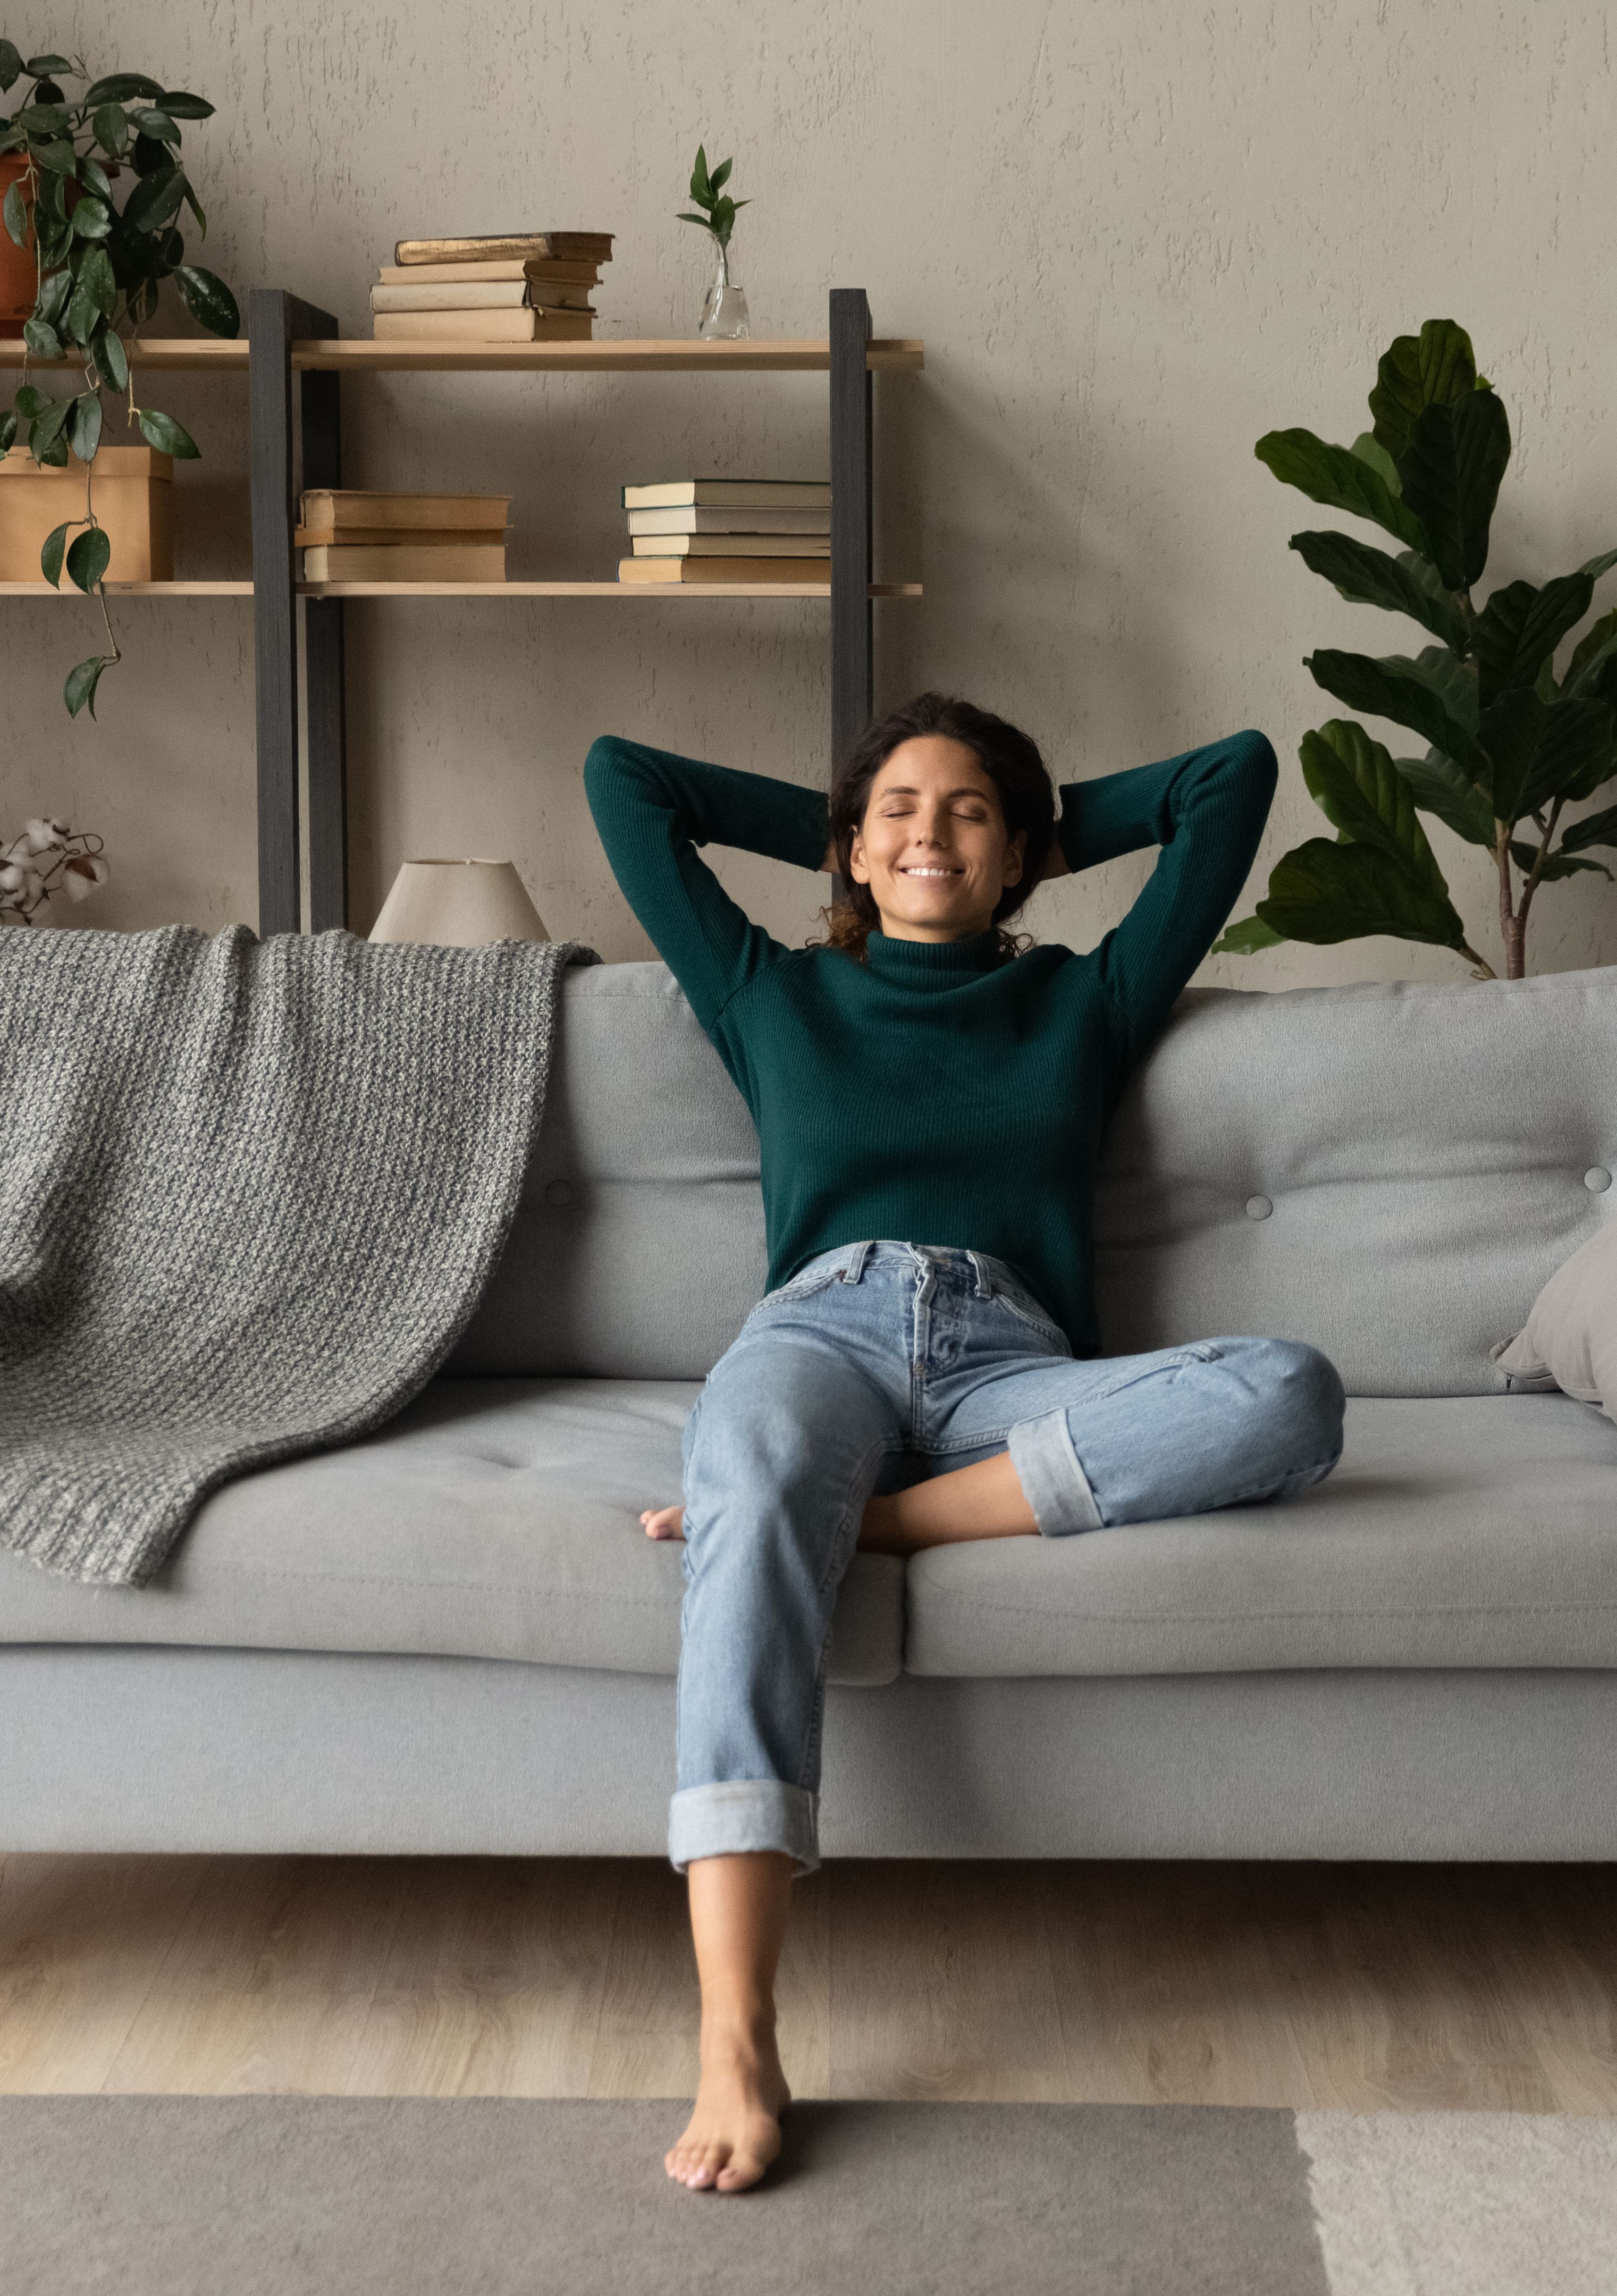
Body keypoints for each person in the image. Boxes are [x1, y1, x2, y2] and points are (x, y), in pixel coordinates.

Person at [582, 694, 1349, 2195]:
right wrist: (858, 807)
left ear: (1022, 863)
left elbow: (1232, 779)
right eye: (898, 815)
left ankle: (864, 1522)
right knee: (750, 1465)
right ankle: (737, 2035)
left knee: (1291, 1392)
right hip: (819, 1333)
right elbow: (629, 777)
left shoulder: (1089, 995)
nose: (931, 832)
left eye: (971, 814)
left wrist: (1036, 824)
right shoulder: (767, 990)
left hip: (1015, 1362)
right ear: (850, 855)